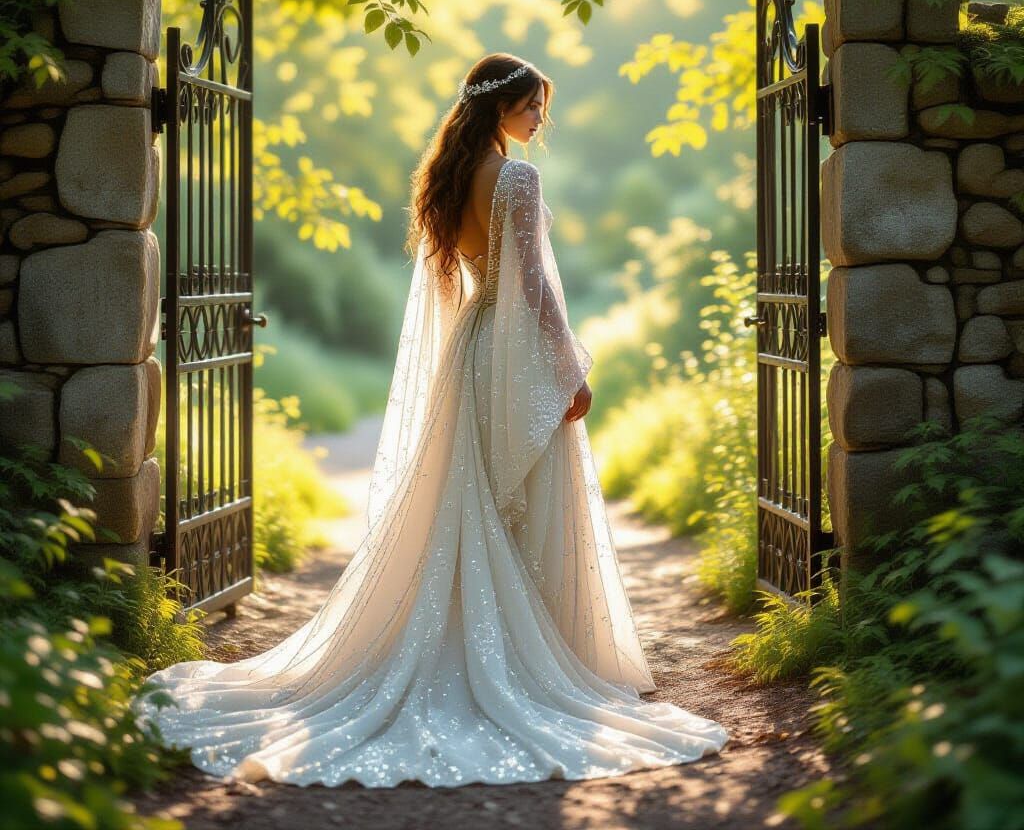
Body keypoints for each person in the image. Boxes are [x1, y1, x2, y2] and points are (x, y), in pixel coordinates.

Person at [132, 52, 730, 788]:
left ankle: (492, 638)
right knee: (513, 495)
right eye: (532, 106)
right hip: (511, 352)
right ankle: (528, 656)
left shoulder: (450, 177)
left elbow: (469, 283)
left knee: (470, 494)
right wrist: (569, 365)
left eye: (542, 107)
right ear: (501, 107)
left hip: (473, 350)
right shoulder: (516, 178)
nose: (540, 120)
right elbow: (536, 285)